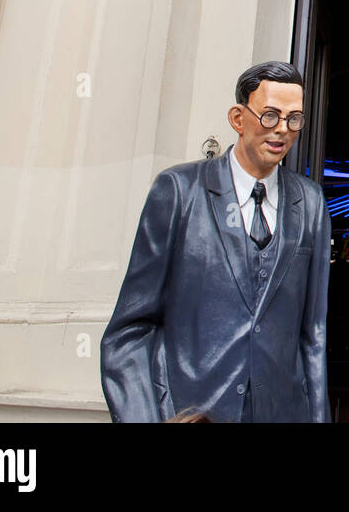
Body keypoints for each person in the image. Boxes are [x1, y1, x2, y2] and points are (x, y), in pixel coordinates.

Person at [100, 61, 332, 422]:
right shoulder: (178, 191)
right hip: (192, 413)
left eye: (294, 119)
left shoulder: (312, 203)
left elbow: (313, 335)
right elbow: (129, 331)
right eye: (270, 116)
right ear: (238, 118)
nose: (282, 130)